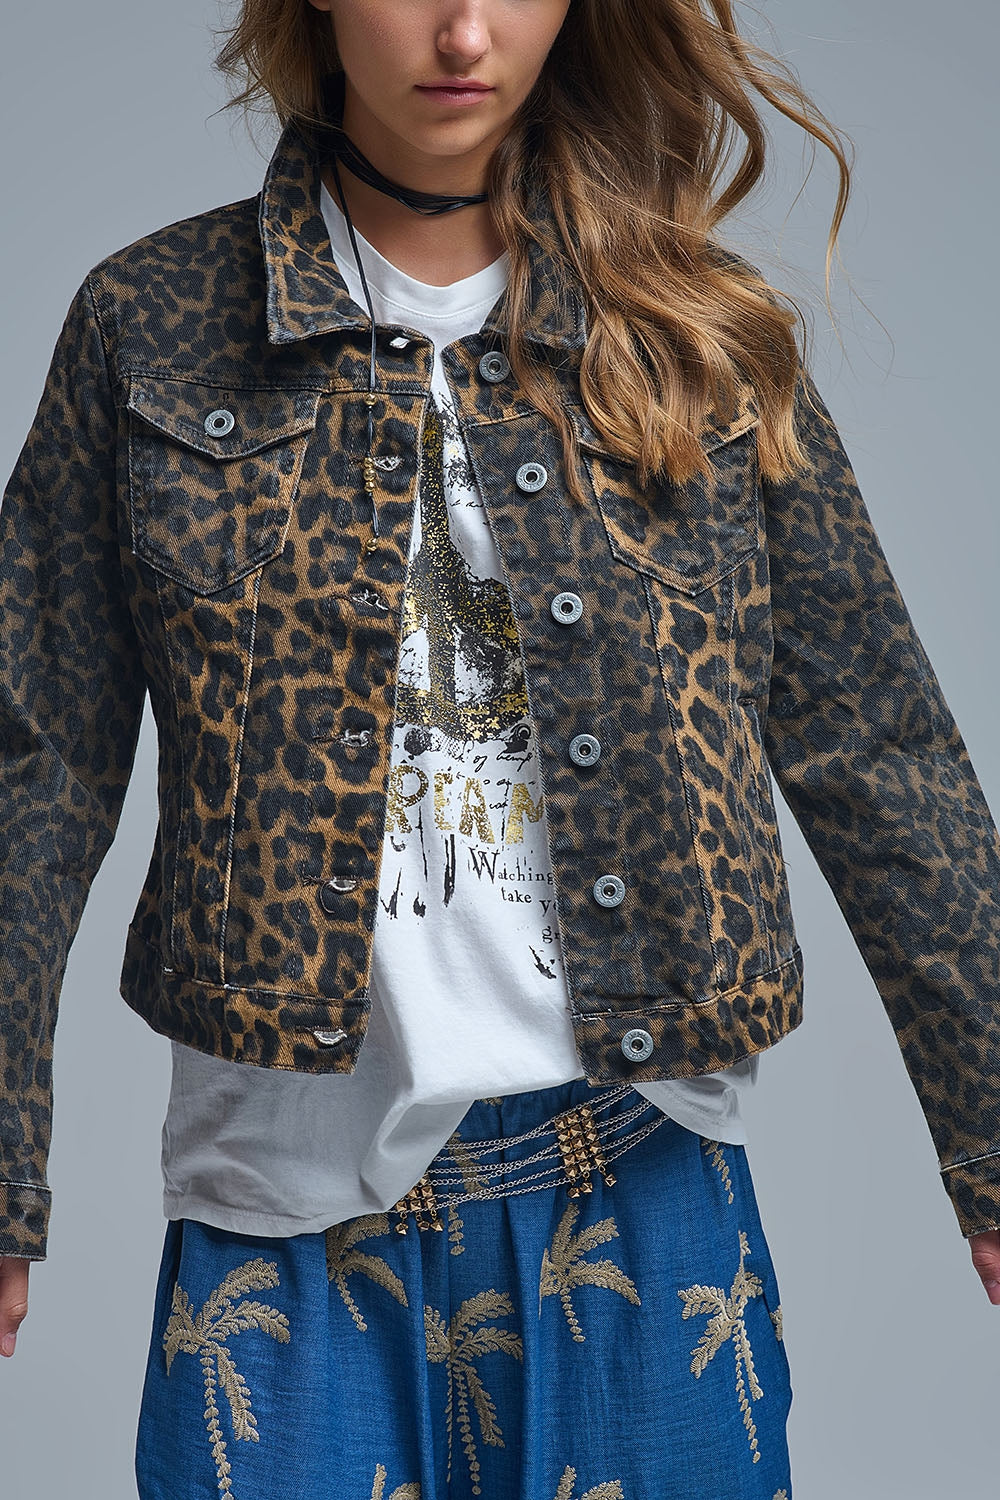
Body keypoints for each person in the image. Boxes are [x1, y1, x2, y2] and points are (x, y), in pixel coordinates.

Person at [2, 0, 1000, 1495]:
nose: (464, 30)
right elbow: (32, 760)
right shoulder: (151, 324)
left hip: (640, 1177)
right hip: (280, 1204)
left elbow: (878, 744)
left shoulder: (697, 341)